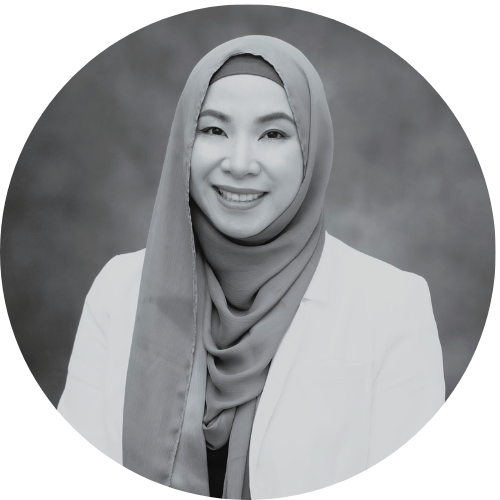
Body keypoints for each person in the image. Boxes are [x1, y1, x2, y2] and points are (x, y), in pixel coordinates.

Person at [57, 35, 445, 499]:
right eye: (214, 130)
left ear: (312, 149)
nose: (239, 164)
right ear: (185, 141)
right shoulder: (118, 290)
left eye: (274, 134)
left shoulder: (393, 305)